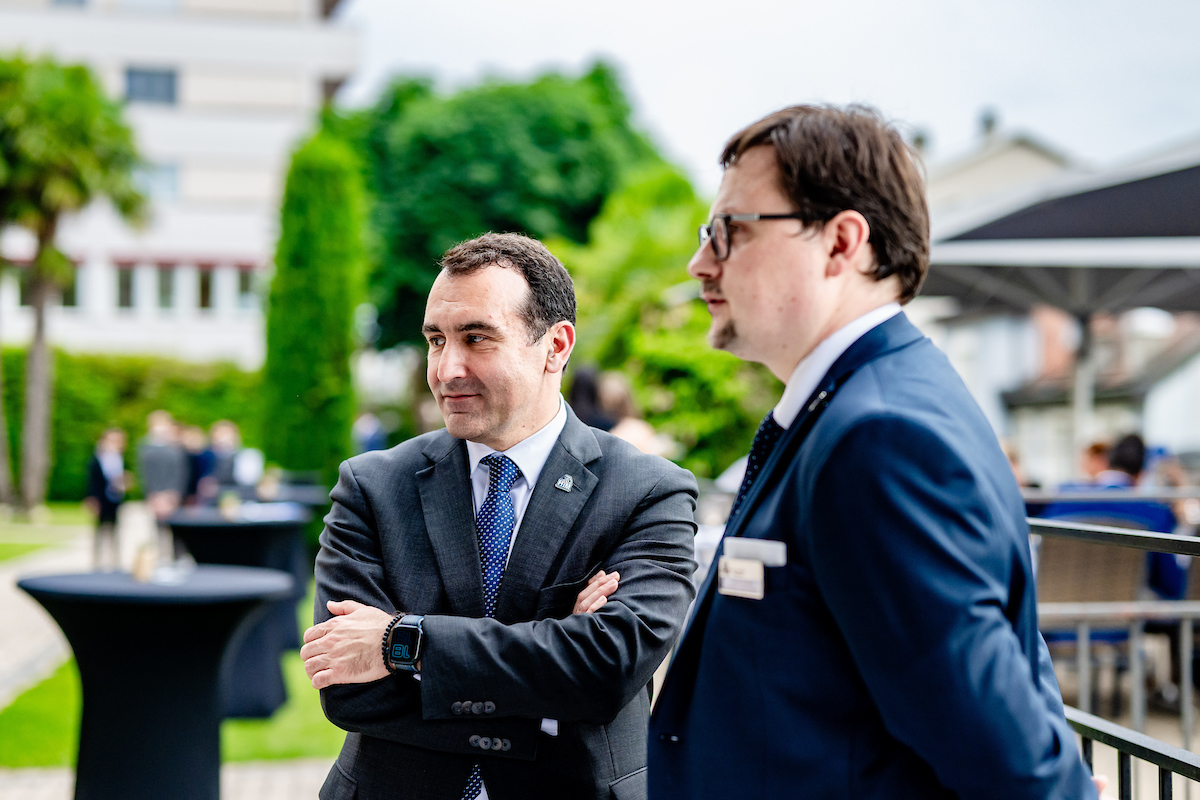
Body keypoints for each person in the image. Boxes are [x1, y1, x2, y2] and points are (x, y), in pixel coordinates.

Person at [648, 105, 1098, 799]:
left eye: (729, 230)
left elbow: (1007, 757)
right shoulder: (867, 404)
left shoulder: (879, 437)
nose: (700, 261)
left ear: (840, 243)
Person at [301, 232, 698, 800]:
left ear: (556, 346)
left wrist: (399, 642)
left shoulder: (647, 492)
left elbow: (607, 668)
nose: (447, 368)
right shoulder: (371, 486)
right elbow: (348, 691)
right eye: (436, 340)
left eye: (477, 338)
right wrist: (553, 671)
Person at [138, 410, 189, 559]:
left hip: (172, 494)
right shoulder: (144, 446)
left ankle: (177, 557)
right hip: (154, 494)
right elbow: (144, 473)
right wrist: (152, 494)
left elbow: (180, 472)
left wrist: (173, 494)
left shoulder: (175, 445)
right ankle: (159, 557)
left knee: (175, 529)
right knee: (157, 528)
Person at [84, 427, 127, 570]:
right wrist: (92, 499)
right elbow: (91, 481)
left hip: (114, 499)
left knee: (115, 530)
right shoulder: (97, 459)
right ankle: (96, 561)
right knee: (99, 530)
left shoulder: (119, 459)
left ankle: (115, 560)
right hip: (100, 499)